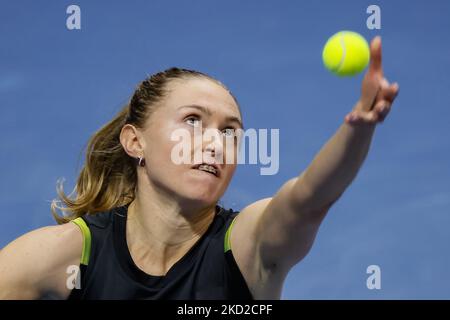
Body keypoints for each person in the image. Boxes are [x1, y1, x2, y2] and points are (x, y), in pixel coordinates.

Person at [0, 36, 398, 300]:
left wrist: (359, 127)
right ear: (135, 141)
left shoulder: (247, 248)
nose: (214, 141)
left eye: (230, 131)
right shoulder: (60, 257)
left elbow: (308, 200)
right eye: (193, 121)